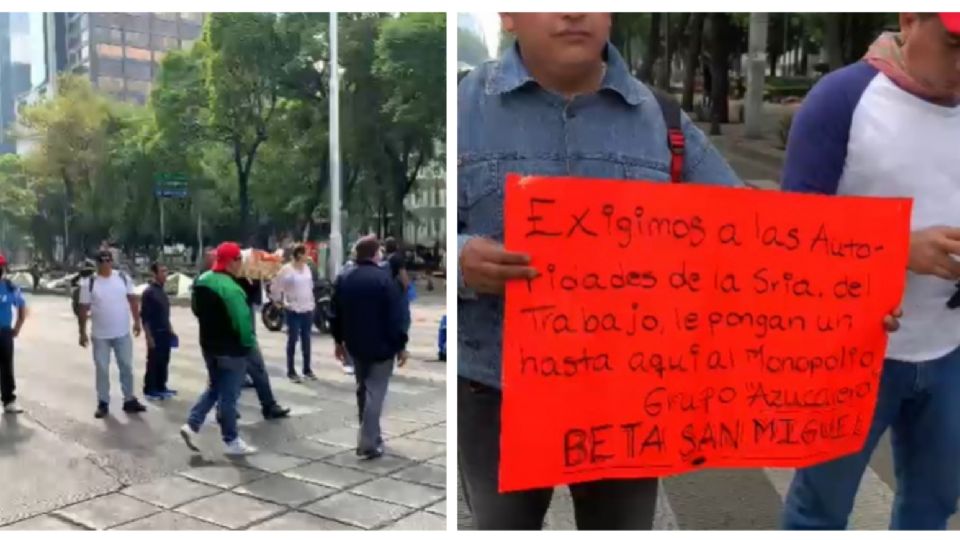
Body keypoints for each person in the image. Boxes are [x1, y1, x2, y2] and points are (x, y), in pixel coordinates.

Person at [457, 12, 743, 530]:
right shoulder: (459, 108)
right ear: (508, 14)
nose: (573, 11)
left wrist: (852, 293)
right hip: (493, 393)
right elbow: (416, 245)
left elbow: (754, 235)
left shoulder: (664, 119)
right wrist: (459, 257)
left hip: (626, 398)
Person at [780, 13, 960, 531]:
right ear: (910, 19)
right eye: (954, 43)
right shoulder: (843, 98)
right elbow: (789, 233)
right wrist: (895, 248)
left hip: (949, 350)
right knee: (820, 510)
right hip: (851, 352)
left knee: (934, 506)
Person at [330, 235, 408, 460]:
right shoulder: (384, 280)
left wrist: (338, 341)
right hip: (382, 346)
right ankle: (368, 443)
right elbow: (396, 317)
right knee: (376, 393)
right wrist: (401, 345)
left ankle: (372, 435)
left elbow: (335, 314)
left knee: (363, 389)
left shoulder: (344, 277)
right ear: (375, 254)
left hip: (355, 344)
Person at [180, 242, 258, 456]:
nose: (240, 263)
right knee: (229, 397)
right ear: (231, 261)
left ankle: (192, 424)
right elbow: (242, 322)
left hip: (208, 345)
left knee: (214, 387)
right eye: (239, 259)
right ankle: (231, 439)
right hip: (231, 349)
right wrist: (248, 344)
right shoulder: (231, 289)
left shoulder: (202, 281)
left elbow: (196, 309)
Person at [78, 250, 146, 419]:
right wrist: (82, 332)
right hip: (100, 335)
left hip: (122, 332)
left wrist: (137, 321)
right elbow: (83, 309)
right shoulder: (89, 283)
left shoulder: (122, 278)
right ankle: (103, 402)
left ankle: (129, 399)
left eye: (108, 259)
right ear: (97, 263)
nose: (106, 263)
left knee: (126, 366)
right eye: (102, 260)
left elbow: (132, 300)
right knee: (102, 369)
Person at [236, 274, 292, 420]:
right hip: (240, 335)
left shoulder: (224, 279)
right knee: (254, 369)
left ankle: (268, 405)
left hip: (238, 334)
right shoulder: (231, 283)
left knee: (229, 374)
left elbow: (255, 299)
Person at [270, 244, 315, 383]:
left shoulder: (307, 268)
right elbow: (276, 285)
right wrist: (278, 300)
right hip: (293, 309)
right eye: (305, 253)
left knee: (306, 340)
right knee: (293, 339)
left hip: (307, 308)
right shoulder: (286, 270)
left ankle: (307, 369)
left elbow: (310, 286)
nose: (307, 256)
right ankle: (291, 371)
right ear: (299, 254)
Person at [140, 262, 178, 400]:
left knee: (164, 360)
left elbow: (165, 314)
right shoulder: (149, 293)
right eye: (162, 271)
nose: (165, 274)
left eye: (166, 271)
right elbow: (144, 317)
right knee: (154, 360)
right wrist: (149, 337)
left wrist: (171, 329)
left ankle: (162, 386)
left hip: (164, 332)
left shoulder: (161, 291)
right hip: (154, 332)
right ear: (154, 274)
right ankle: (150, 389)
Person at [0, 254, 27, 414]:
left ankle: (9, 400)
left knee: (6, 367)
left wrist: (17, 327)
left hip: (4, 333)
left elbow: (21, 306)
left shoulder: (10, 287)